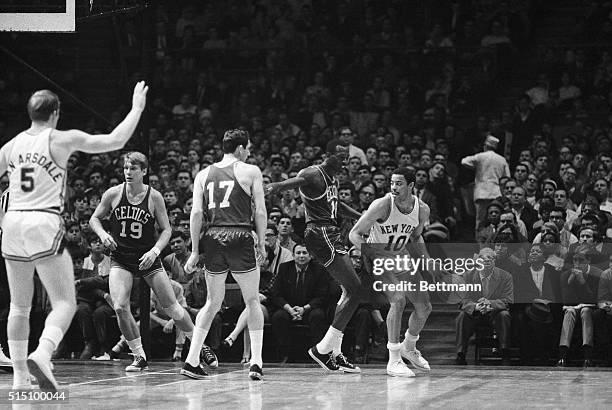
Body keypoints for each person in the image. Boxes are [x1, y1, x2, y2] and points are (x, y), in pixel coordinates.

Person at [0, 82, 147, 391]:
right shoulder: (61, 139)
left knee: (19, 306)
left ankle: (19, 381)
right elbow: (116, 139)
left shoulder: (11, 146)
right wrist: (137, 108)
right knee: (65, 301)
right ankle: (42, 352)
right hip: (42, 219)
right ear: (55, 113)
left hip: (12, 223)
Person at [90, 152, 215, 372]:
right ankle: (139, 356)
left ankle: (199, 346)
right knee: (120, 307)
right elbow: (94, 218)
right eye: (126, 168)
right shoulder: (113, 193)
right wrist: (102, 234)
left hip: (148, 257)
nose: (128, 172)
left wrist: (155, 250)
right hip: (121, 257)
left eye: (134, 169)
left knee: (174, 309)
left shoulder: (154, 196)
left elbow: (167, 229)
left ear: (144, 171)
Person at [266, 140, 362, 373]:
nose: (344, 161)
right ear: (327, 155)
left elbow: (337, 206)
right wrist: (274, 186)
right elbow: (291, 183)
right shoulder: (312, 173)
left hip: (331, 230)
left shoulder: (333, 179)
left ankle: (335, 354)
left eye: (346, 157)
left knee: (350, 291)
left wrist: (365, 217)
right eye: (340, 156)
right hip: (319, 232)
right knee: (357, 290)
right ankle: (323, 349)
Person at [181, 129, 267, 381]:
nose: (249, 152)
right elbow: (260, 211)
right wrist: (261, 242)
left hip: (213, 236)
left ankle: (192, 359)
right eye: (248, 148)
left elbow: (196, 213)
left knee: (212, 302)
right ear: (240, 148)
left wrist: (195, 250)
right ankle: (256, 363)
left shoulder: (202, 174)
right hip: (240, 234)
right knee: (252, 300)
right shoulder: (251, 171)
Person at [349, 168, 432, 377]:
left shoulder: (422, 209)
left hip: (401, 257)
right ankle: (394, 359)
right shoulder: (382, 205)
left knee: (424, 306)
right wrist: (372, 254)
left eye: (399, 183)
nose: (394, 187)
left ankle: (409, 346)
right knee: (398, 299)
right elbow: (355, 234)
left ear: (411, 186)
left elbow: (416, 236)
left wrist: (426, 259)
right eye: (392, 183)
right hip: (377, 257)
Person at [461, 135, 510, 231]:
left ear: (485, 146)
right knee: (497, 220)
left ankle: (481, 244)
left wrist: (474, 167)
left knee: (480, 221)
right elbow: (507, 177)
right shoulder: (501, 159)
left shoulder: (480, 156)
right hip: (496, 193)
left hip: (482, 193)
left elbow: (464, 161)